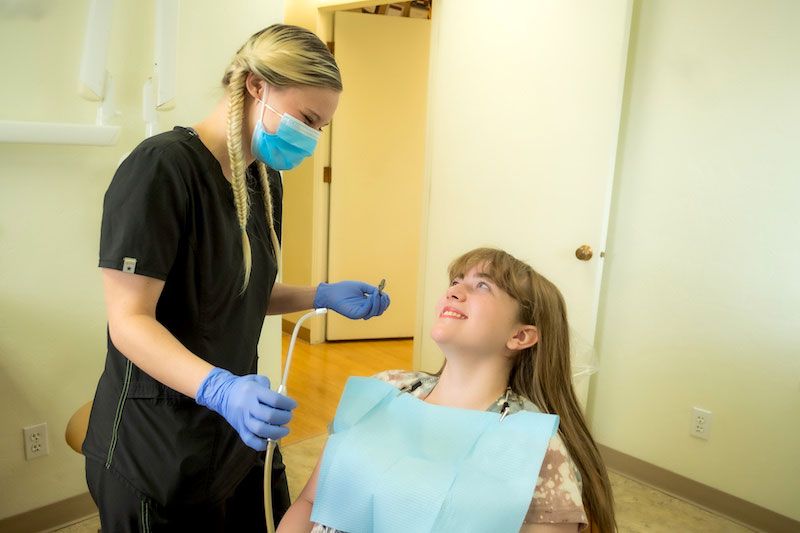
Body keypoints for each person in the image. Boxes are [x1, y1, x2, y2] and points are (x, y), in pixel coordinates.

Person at [82, 24, 390, 532]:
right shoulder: (161, 169)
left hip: (233, 438)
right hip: (155, 441)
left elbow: (237, 292)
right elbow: (129, 321)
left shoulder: (263, 180)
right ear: (255, 86)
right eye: (307, 119)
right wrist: (220, 389)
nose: (311, 139)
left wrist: (319, 295)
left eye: (321, 128)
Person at [278, 248, 616, 533]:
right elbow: (310, 502)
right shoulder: (384, 389)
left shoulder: (532, 443)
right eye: (456, 282)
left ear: (520, 336)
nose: (453, 291)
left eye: (483, 286)